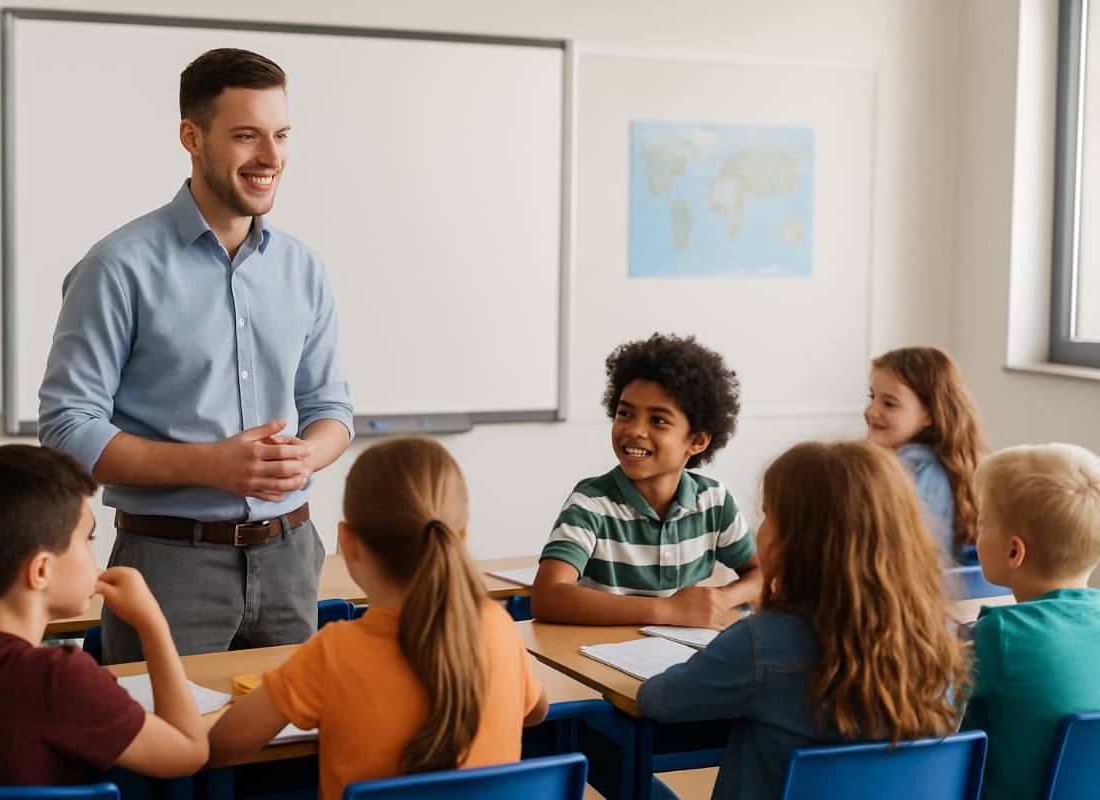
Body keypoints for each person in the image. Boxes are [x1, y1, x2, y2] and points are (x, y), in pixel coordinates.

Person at [39, 48, 353, 663]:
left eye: (281, 135)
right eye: (246, 136)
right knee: (167, 754)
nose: (271, 157)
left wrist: (302, 457)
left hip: (292, 557)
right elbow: (66, 432)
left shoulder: (304, 268)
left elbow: (332, 408)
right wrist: (211, 465)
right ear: (192, 136)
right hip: (167, 568)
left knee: (295, 753)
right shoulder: (116, 268)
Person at [209, 437, 548, 799]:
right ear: (460, 537)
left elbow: (219, 746)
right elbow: (536, 712)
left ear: (348, 543)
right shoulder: (497, 625)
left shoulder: (333, 654)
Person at [639, 440, 969, 799]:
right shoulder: (939, 642)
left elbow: (658, 700)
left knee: (629, 779)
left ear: (799, 542)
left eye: (768, 515)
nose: (759, 530)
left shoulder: (760, 643)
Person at [0, 445, 207, 784]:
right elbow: (188, 752)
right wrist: (152, 621)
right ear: (42, 571)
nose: (94, 556)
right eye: (87, 539)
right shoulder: (60, 679)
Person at [532, 333, 760, 628]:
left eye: (658, 420)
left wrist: (721, 599)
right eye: (624, 413)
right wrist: (668, 611)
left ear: (698, 440)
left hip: (682, 656)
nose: (634, 430)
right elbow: (547, 597)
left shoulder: (714, 501)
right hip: (601, 658)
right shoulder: (591, 504)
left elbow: (760, 575)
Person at [961, 443, 1100, 800]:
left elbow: (927, 722)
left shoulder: (999, 636)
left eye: (981, 523)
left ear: (1014, 551)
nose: (975, 532)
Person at [865, 346, 987, 557]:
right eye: (872, 397)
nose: (871, 411)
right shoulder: (939, 463)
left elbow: (901, 551)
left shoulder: (919, 471)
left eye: (889, 404)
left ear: (929, 414)